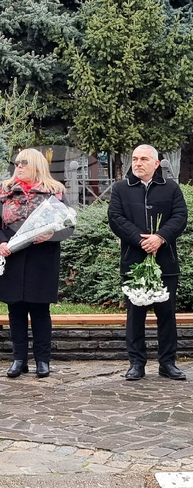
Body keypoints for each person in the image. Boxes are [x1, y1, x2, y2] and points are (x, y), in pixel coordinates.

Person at [0, 148, 71, 379]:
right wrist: (0, 243)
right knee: (16, 311)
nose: (19, 167)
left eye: (24, 163)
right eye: (17, 163)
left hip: (42, 259)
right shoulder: (4, 191)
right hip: (12, 258)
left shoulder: (55, 192)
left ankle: (43, 361)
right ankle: (19, 360)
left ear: (36, 166)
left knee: (40, 311)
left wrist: (50, 236)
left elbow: (68, 225)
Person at [109, 145, 188, 381]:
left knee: (167, 315)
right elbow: (115, 218)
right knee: (135, 315)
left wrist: (160, 238)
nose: (138, 163)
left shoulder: (171, 188)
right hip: (133, 261)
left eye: (144, 159)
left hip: (166, 262)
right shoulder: (121, 189)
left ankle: (167, 363)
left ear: (156, 163)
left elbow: (180, 216)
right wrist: (140, 240)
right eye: (134, 158)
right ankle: (136, 363)